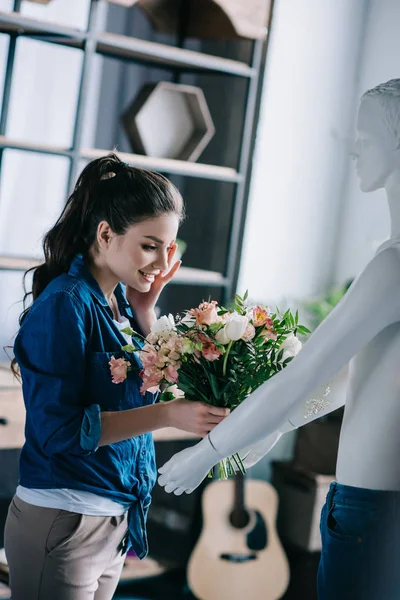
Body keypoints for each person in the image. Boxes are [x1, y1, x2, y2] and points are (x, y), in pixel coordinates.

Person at [158, 79, 400, 599]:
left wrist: (208, 451)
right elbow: (349, 375)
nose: (354, 148)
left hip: (374, 507)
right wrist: (278, 425)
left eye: (366, 134)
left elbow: (307, 370)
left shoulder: (394, 265)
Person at [4, 153, 229, 600]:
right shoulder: (66, 305)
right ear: (106, 233)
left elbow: (143, 386)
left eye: (170, 248)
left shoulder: (121, 305)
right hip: (63, 521)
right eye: (150, 245)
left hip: (112, 519)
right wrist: (167, 415)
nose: (162, 261)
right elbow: (60, 431)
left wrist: (145, 310)